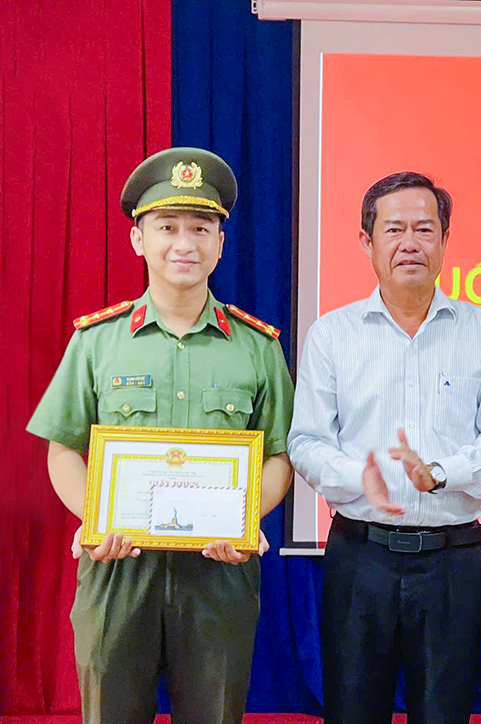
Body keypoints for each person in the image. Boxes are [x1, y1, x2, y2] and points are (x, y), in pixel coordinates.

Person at [26, 148, 295, 724]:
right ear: (137, 239)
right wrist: (95, 520)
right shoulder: (97, 341)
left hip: (219, 569)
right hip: (118, 566)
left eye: (201, 228)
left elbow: (279, 455)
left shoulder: (258, 347)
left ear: (220, 244)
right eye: (167, 227)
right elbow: (63, 448)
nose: (184, 244)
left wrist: (243, 521)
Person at [288, 171, 481, 724]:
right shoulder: (332, 334)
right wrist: (357, 477)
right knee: (352, 711)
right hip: (361, 556)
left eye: (424, 229)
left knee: (444, 713)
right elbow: (306, 441)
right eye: (393, 229)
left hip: (452, 560)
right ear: (366, 241)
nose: (410, 243)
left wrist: (441, 473)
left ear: (445, 240)